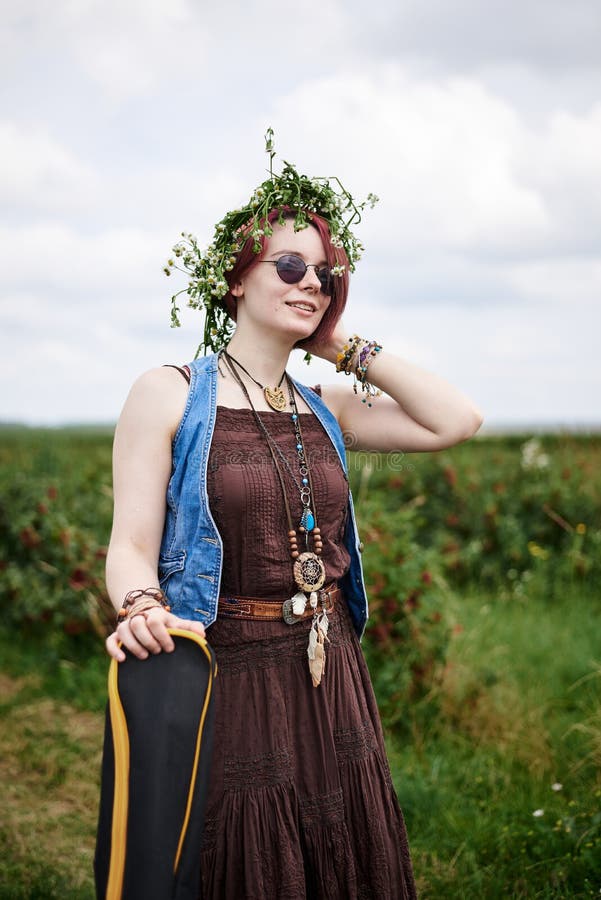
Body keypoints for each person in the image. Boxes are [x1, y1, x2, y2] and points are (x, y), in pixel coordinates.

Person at [103, 133, 483, 899]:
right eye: (288, 265)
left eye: (325, 272)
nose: (309, 281)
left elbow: (456, 419)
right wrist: (139, 603)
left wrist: (341, 344)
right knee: (241, 857)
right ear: (235, 277)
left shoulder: (327, 407)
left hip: (328, 661)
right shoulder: (170, 393)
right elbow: (131, 543)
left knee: (338, 849)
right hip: (228, 665)